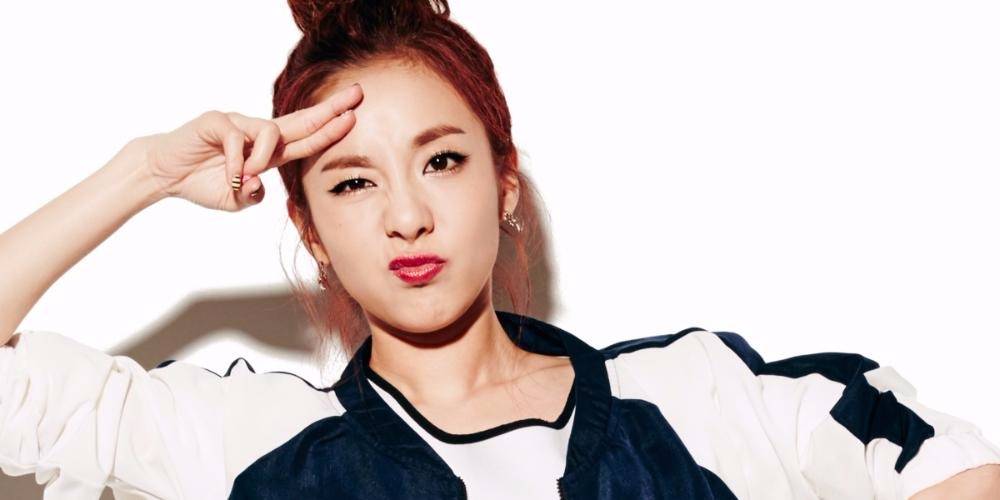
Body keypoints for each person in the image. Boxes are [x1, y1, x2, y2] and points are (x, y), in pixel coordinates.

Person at [1, 0, 999, 498]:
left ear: (503, 183)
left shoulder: (693, 394)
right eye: (352, 182)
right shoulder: (248, 437)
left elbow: (941, 461)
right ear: (311, 230)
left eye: (440, 160)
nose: (406, 216)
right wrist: (139, 172)